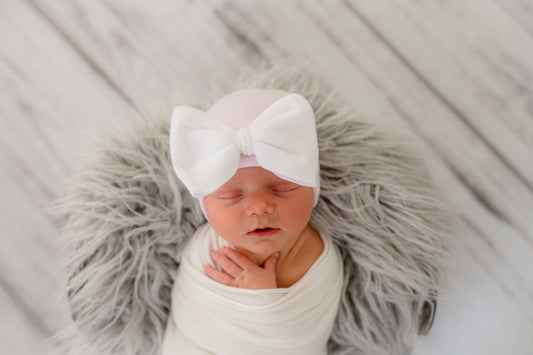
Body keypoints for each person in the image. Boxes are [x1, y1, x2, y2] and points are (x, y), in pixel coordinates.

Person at [162, 88, 344, 355]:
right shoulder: (205, 250)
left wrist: (264, 301)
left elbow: (305, 341)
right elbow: (189, 322)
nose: (259, 207)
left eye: (280, 188)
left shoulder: (317, 259)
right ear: (207, 207)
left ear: (311, 188)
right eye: (232, 195)